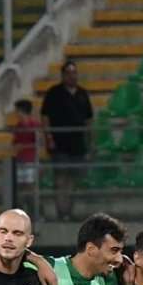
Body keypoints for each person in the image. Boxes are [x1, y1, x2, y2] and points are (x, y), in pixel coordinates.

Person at [40, 61, 95, 221]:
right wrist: (49, 137)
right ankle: (61, 211)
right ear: (63, 75)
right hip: (59, 143)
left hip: (77, 144)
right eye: (69, 73)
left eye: (74, 73)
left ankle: (69, 211)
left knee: (73, 178)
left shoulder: (83, 94)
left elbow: (89, 120)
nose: (72, 76)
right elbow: (45, 117)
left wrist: (90, 140)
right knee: (61, 178)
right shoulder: (54, 93)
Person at [11, 99, 42, 216]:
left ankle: (35, 212)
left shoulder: (35, 125)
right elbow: (15, 142)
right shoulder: (18, 126)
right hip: (20, 159)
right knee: (21, 187)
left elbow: (39, 143)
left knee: (30, 187)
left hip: (31, 159)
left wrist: (24, 146)